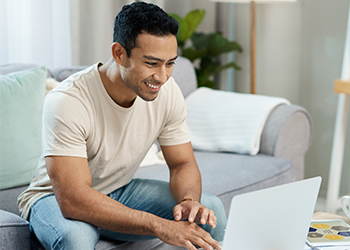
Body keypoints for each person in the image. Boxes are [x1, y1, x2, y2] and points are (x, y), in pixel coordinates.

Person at [18, 2, 227, 250]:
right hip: (52, 198)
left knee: (209, 212)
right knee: (77, 238)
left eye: (170, 63)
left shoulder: (167, 92)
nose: (162, 77)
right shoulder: (68, 101)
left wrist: (189, 200)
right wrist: (160, 225)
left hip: (118, 191)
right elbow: (73, 199)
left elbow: (182, 163)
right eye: (151, 63)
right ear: (119, 54)